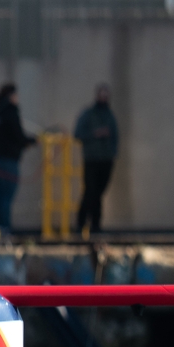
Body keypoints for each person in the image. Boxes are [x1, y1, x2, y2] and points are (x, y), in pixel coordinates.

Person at [73, 83, 120, 235]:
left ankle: (96, 225)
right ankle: (81, 223)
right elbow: (78, 134)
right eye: (102, 94)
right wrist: (95, 134)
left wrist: (112, 153)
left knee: (99, 193)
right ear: (97, 95)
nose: (104, 97)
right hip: (91, 159)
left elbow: (115, 137)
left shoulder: (110, 115)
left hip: (106, 160)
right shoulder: (88, 114)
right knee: (90, 191)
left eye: (106, 95)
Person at [0, 83, 33, 233]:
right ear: (11, 96)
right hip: (7, 159)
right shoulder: (11, 112)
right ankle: (4, 229)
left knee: (1, 196)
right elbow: (18, 136)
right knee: (7, 195)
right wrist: (32, 141)